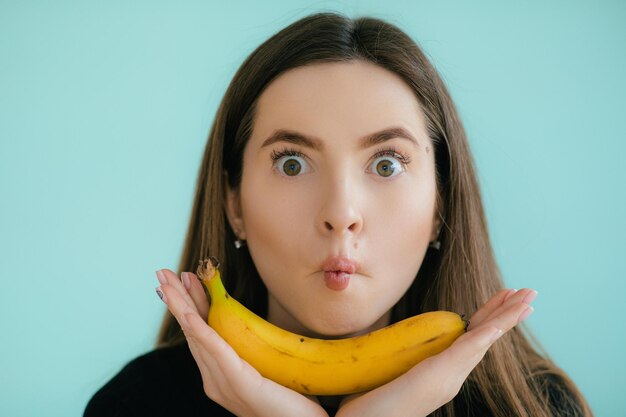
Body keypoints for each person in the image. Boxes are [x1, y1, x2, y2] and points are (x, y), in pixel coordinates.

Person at [84, 11, 593, 417]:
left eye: (387, 163)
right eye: (292, 162)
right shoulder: (133, 405)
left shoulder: (537, 408)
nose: (341, 213)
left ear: (441, 207)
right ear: (233, 204)